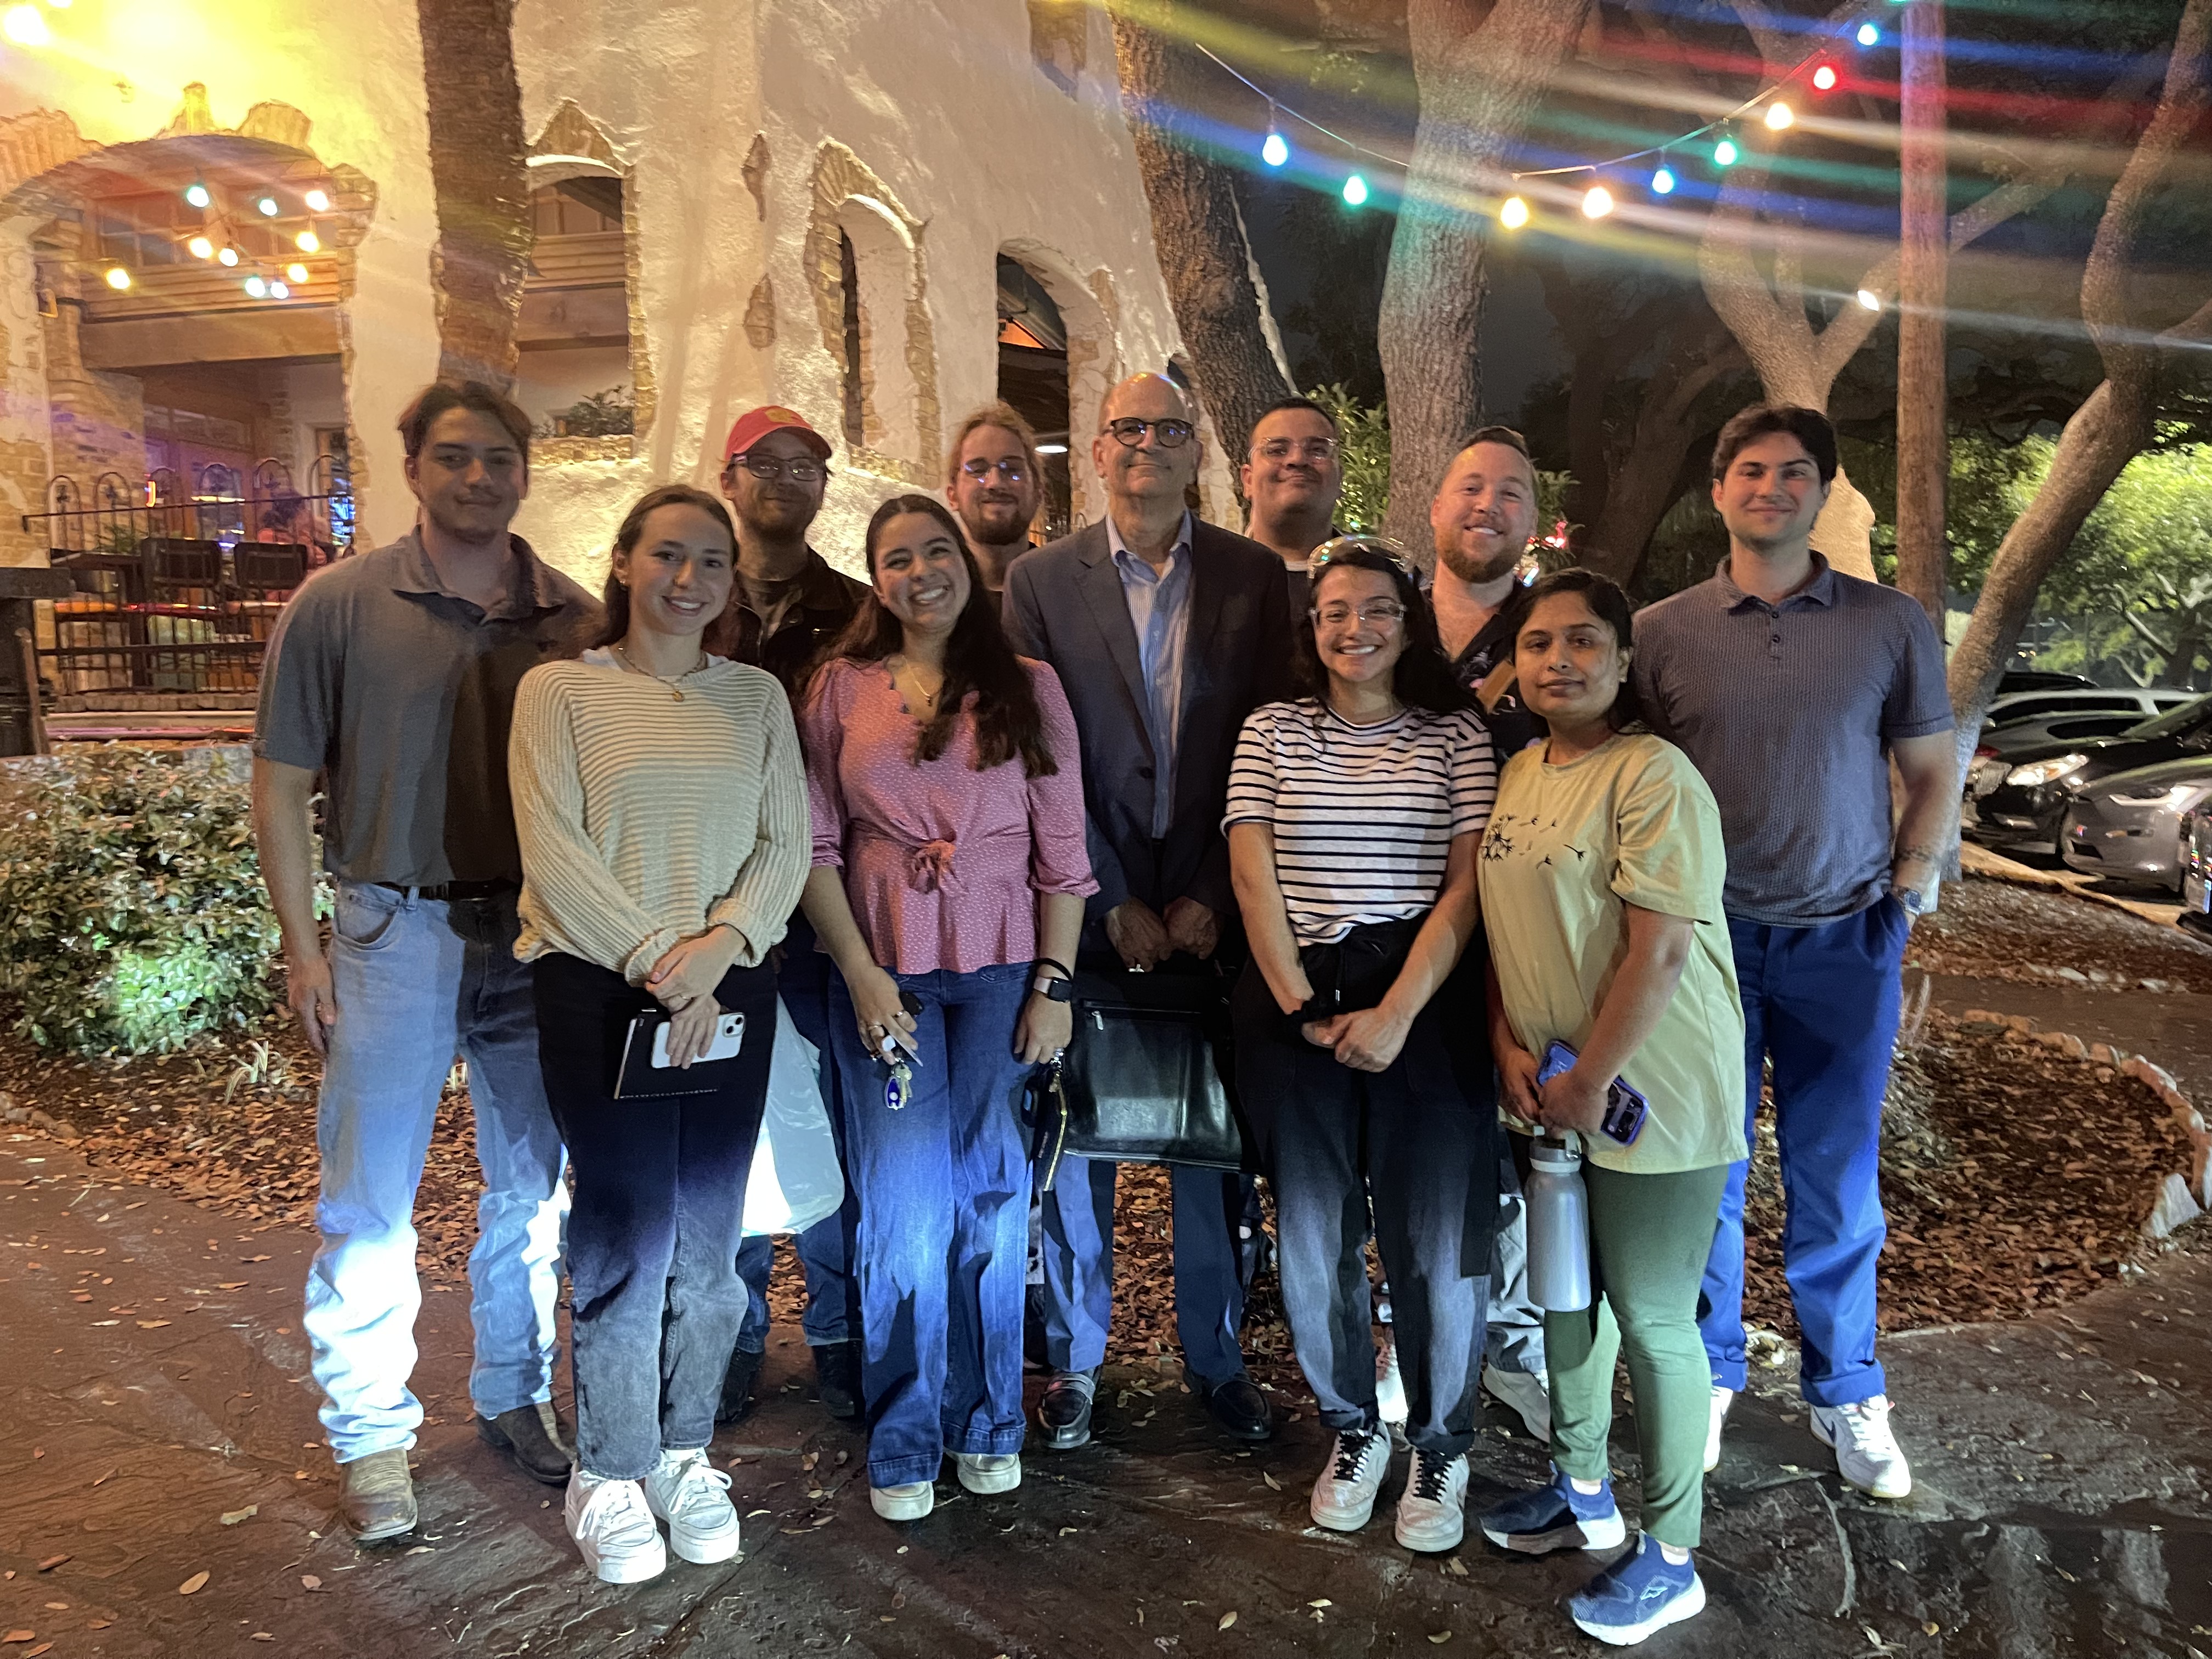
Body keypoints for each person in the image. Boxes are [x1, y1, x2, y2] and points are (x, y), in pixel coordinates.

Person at [251, 382, 588, 1541]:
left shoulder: (573, 617)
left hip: (538, 939)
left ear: (525, 472)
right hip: (394, 932)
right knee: (370, 1204)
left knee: (530, 1193)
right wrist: (305, 947)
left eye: (500, 458)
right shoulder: (337, 606)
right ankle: (372, 1437)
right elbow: (284, 781)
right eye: (456, 457)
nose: (480, 477)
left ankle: (514, 1395)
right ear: (413, 468)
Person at [1633, 404, 1956, 1500]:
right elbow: (1633, 780)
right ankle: (1714, 1373)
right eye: (1752, 471)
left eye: (1795, 473)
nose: (1772, 487)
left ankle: (1847, 1393)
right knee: (1710, 1171)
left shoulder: (1890, 623)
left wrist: (1910, 884)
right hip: (1705, 952)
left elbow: (1932, 769)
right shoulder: (1662, 631)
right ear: (1718, 491)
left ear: (1824, 493)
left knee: (1835, 1180)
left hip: (1842, 938)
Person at [510, 484, 809, 1583]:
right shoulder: (558, 694)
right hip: (599, 991)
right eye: (668, 555)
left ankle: (686, 1451)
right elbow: (554, 854)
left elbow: (788, 843)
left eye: (713, 563)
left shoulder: (757, 700)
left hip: (728, 989)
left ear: (733, 581)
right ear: (626, 563)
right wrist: (657, 963)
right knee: (626, 1239)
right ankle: (611, 1467)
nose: (690, 580)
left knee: (709, 1239)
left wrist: (719, 951)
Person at [1003, 370, 1295, 1449]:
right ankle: (1076, 1362)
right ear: (1096, 449)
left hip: (1218, 904)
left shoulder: (1255, 578)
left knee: (1208, 1144)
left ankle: (1215, 1359)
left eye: (1170, 430)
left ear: (1194, 455)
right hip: (1092, 903)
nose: (1146, 447)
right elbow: (1038, 751)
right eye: (1128, 428)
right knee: (1082, 1134)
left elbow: (1271, 738)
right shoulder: (1040, 581)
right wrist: (1111, 896)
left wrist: (1219, 890)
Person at [799, 494, 1091, 1520]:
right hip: (884, 970)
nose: (919, 571)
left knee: (993, 1189)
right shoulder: (839, 688)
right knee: (903, 1203)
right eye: (895, 558)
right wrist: (860, 971)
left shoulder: (1032, 686)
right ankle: (907, 1432)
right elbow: (816, 844)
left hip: (1003, 968)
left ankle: (988, 1419)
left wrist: (1055, 984)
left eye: (936, 551)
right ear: (874, 576)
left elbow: (1066, 854)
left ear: (966, 564)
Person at [1475, 568, 1747, 1647]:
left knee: (1652, 1318)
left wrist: (1588, 1078)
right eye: (1539, 643)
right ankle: (1583, 1491)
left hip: (1651, 1090)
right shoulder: (1522, 772)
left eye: (1584, 642)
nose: (1559, 661)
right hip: (1549, 1084)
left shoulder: (1653, 775)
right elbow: (1506, 926)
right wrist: (1506, 1040)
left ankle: (1672, 1554)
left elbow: (1664, 947)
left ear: (1626, 662)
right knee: (1565, 1299)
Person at [1226, 537, 1499, 1553]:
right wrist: (1300, 1003)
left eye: (1376, 607)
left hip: (1423, 1003)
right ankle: (1351, 1427)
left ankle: (1439, 1440)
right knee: (1313, 1232)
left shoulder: (1455, 736)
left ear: (1408, 619)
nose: (1355, 627)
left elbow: (1468, 881)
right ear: (1312, 626)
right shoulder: (1271, 730)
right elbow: (1252, 869)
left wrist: (1394, 1013)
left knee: (1437, 1239)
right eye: (1334, 609)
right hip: (1293, 999)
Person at [708, 405, 870, 1428]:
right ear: (729, 477)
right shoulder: (689, 595)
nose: (785, 478)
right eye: (764, 462)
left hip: (822, 908)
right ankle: (729, 1329)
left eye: (805, 463)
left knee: (831, 1122)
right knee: (723, 1121)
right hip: (710, 906)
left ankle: (841, 1329)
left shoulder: (856, 614)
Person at [1426, 427, 1553, 1440]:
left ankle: (1515, 1337)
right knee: (1419, 1137)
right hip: (1396, 924)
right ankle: (1417, 1331)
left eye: (1511, 491)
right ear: (1436, 504)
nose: (1488, 504)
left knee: (1525, 1137)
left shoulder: (1551, 627)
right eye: (1471, 485)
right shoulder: (1377, 615)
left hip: (1522, 922)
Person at [1239, 397, 1345, 610]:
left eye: (1317, 450)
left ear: (1340, 480)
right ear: (1248, 481)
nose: (1297, 459)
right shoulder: (1206, 578)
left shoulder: (1385, 581)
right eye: (1277, 450)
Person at [946, 402, 1045, 599]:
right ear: (953, 495)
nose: (995, 483)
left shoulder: (1071, 593)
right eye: (977, 470)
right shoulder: (935, 598)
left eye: (1012, 469)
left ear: (1038, 493)